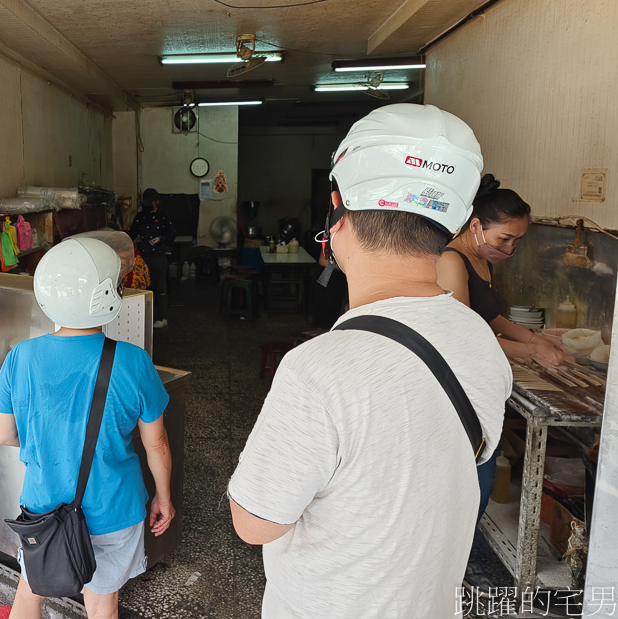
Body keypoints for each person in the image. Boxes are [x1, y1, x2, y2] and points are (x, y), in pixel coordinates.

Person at [227, 104, 512, 618]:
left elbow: (254, 524)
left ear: (336, 212)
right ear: (455, 224)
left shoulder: (317, 369)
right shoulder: (478, 338)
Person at [0, 233, 175, 619]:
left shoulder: (20, 357)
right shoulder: (133, 361)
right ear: (107, 297)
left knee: (29, 592)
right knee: (102, 604)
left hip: (44, 509)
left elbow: (2, 435)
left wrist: (52, 440)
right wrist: (163, 497)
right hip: (114, 509)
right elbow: (156, 444)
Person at [436, 175, 571, 526]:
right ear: (476, 225)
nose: (510, 248)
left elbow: (492, 317)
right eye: (505, 238)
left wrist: (534, 339)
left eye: (518, 241)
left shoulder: (482, 258)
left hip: (479, 384)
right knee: (471, 482)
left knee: (482, 475)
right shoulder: (452, 261)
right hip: (456, 388)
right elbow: (466, 336)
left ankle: (460, 548)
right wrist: (531, 354)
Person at [128, 188, 175, 328]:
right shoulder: (140, 216)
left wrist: (160, 239)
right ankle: (144, 318)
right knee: (144, 288)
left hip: (158, 257)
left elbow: (172, 234)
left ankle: (162, 318)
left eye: (151, 203)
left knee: (160, 287)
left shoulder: (163, 216)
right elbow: (132, 234)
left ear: (157, 202)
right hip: (142, 258)